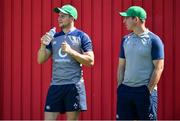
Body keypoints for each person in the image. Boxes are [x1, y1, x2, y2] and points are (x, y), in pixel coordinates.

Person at [37, 4, 94, 120]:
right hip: (55, 86)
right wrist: (43, 45)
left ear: (72, 18)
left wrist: (70, 51)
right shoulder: (54, 37)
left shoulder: (82, 36)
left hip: (74, 86)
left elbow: (90, 61)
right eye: (59, 16)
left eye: (63, 16)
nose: (59, 18)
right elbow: (40, 60)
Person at [116, 6, 164, 120]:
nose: (124, 21)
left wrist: (148, 90)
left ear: (136, 19)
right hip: (126, 91)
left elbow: (159, 68)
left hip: (144, 91)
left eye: (126, 18)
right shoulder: (125, 40)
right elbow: (121, 65)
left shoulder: (154, 40)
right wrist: (120, 87)